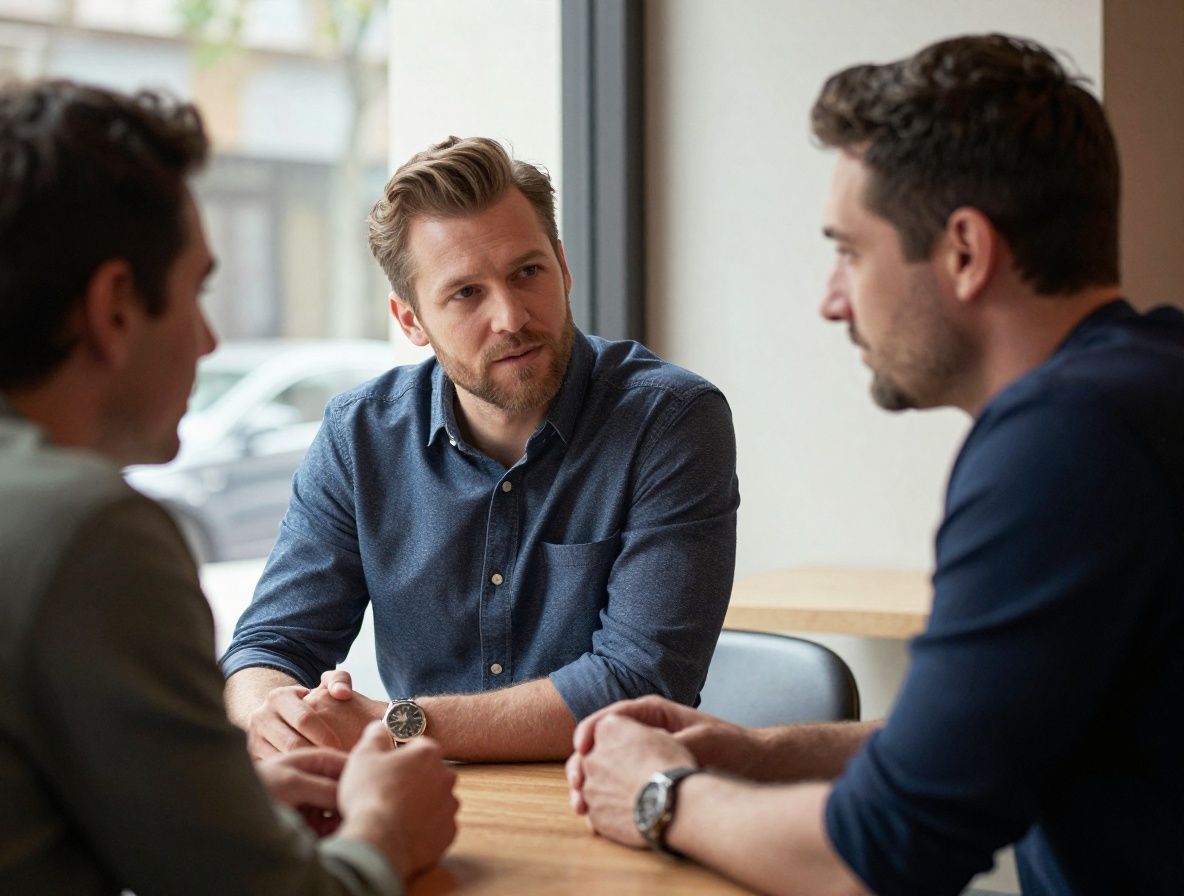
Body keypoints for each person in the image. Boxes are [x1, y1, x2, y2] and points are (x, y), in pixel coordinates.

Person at [567, 33, 1184, 896]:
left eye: (850, 251)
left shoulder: (1065, 441)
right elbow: (981, 739)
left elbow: (885, 850)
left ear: (965, 252)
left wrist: (660, 796)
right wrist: (759, 752)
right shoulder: (1147, 383)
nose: (831, 299)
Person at [0, 79, 457, 895]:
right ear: (113, 309)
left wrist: (215, 805)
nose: (211, 340)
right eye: (197, 291)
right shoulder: (88, 531)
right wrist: (389, 826)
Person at [219, 136, 740, 762]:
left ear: (563, 268)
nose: (512, 317)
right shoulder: (360, 435)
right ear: (410, 320)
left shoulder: (670, 421)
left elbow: (641, 682)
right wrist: (269, 713)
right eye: (466, 293)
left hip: (605, 796)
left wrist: (397, 723)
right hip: (421, 799)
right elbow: (270, 644)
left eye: (528, 272)